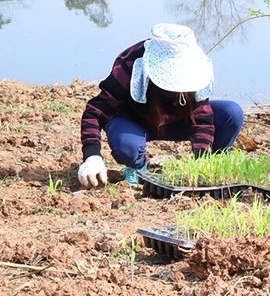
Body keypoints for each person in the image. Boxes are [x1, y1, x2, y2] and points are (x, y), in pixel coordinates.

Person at [77, 23, 245, 188]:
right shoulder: (131, 64)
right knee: (127, 147)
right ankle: (137, 168)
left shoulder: (195, 68)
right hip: (132, 123)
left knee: (232, 113)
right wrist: (92, 156)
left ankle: (214, 164)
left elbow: (201, 118)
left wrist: (201, 159)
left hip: (177, 123)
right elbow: (95, 111)